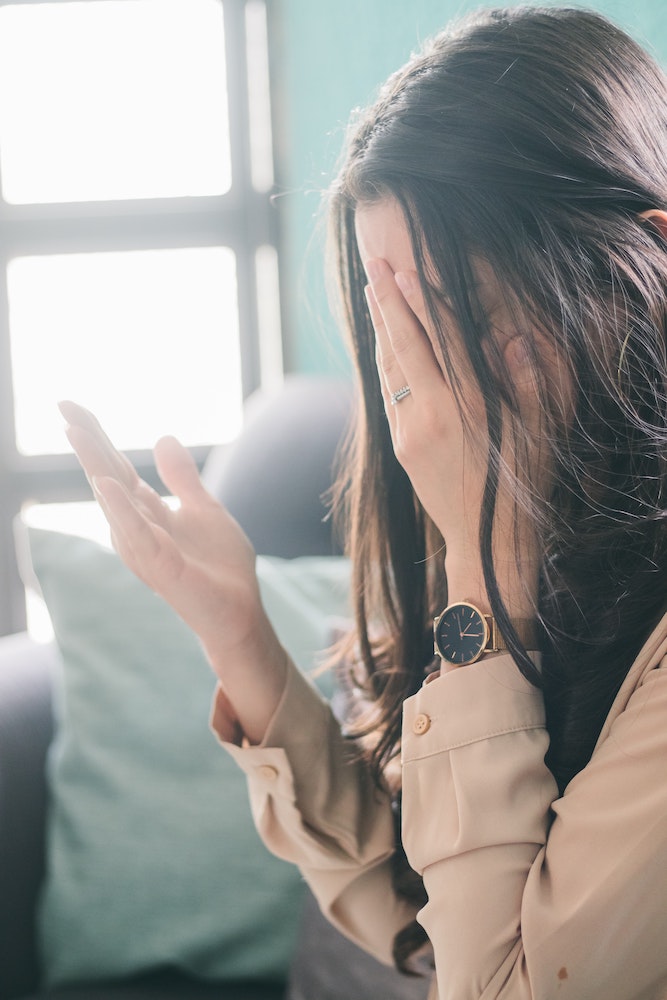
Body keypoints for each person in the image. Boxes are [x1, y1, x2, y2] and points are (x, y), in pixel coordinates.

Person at [60, 6, 667, 997]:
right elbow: (435, 922)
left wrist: (485, 574)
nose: (417, 391)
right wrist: (238, 637)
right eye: (395, 329)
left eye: (455, 316)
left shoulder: (502, 524)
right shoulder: (550, 503)